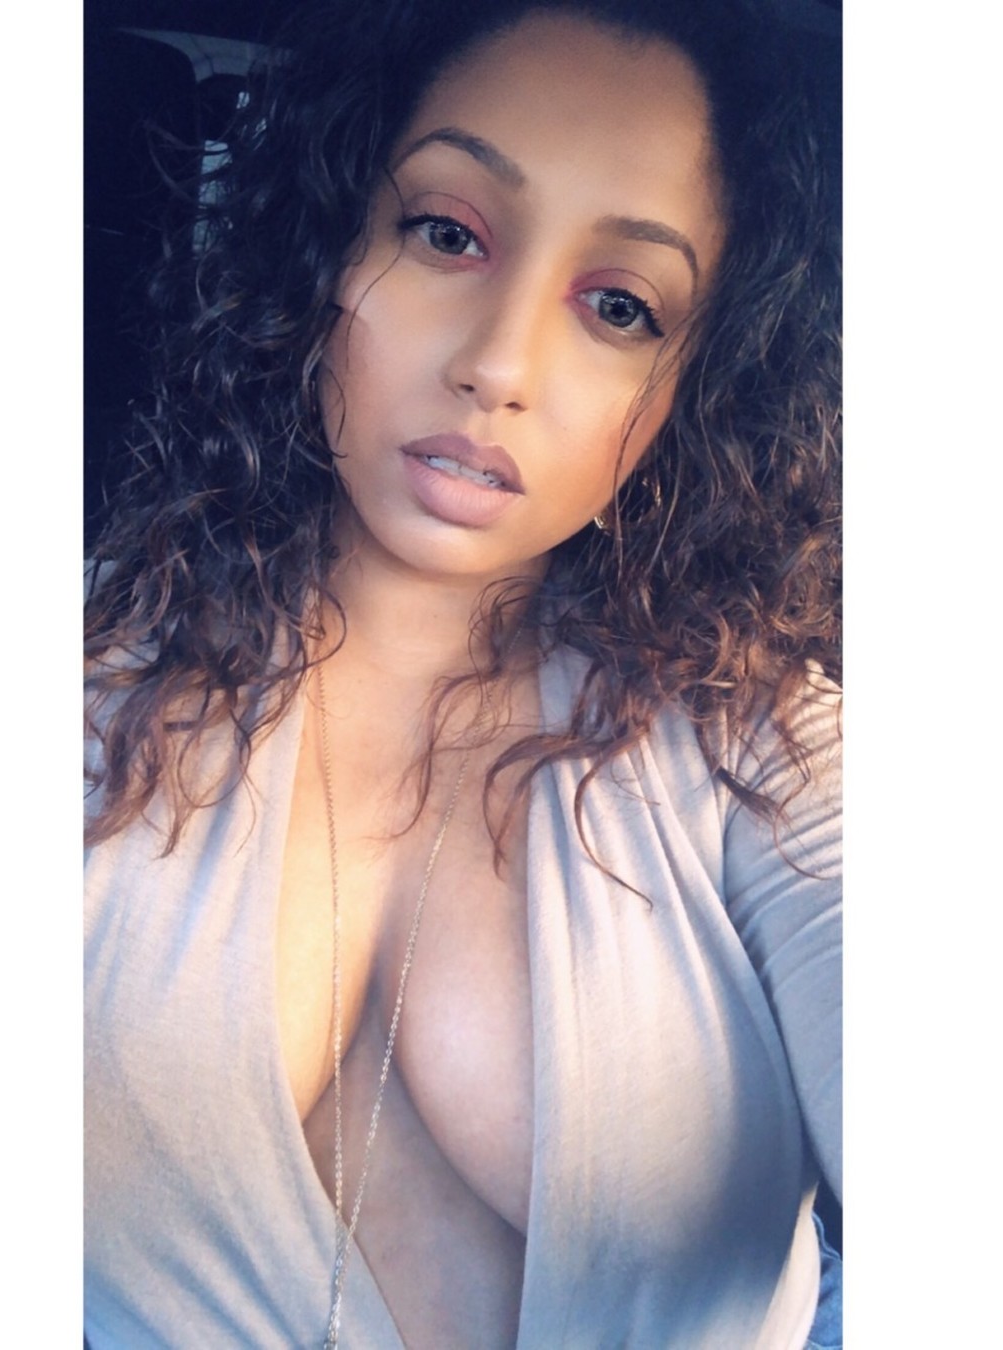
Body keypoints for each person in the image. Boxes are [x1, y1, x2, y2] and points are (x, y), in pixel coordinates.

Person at [84, 0, 841, 1345]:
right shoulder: (81, 679)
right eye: (448, 233)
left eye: (620, 307)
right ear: (330, 248)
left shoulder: (763, 739)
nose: (499, 364)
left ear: (687, 389)